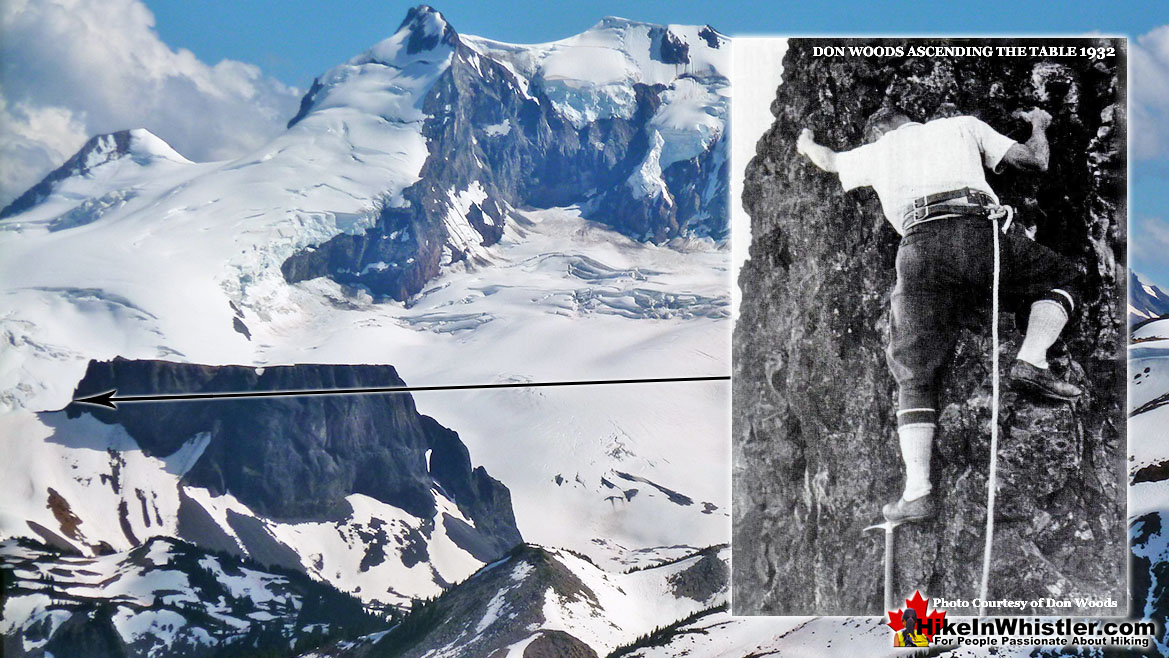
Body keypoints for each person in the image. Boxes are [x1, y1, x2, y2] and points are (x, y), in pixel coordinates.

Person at [796, 105, 1082, 523]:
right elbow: (1035, 161)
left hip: (919, 248)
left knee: (912, 370)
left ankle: (918, 492)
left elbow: (828, 160)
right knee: (1062, 275)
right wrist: (1040, 123)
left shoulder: (878, 151)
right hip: (979, 233)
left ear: (880, 129)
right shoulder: (961, 126)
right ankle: (1031, 358)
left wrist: (806, 144)